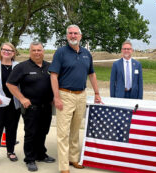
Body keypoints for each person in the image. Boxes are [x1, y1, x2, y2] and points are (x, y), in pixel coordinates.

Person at [49, 24, 102, 173]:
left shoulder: (87, 53)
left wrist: (97, 93)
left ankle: (73, 158)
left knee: (75, 130)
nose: (73, 36)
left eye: (75, 33)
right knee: (63, 132)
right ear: (67, 36)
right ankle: (64, 166)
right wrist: (57, 97)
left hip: (81, 95)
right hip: (65, 95)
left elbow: (92, 74)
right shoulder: (60, 53)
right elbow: (53, 76)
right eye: (70, 33)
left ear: (80, 36)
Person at [6, 42, 55, 172]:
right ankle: (30, 159)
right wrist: (22, 98)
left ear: (43, 51)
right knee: (31, 133)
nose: (37, 52)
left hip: (47, 106)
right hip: (31, 107)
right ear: (30, 52)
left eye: (39, 50)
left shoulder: (50, 66)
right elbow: (10, 84)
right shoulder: (22, 67)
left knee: (43, 131)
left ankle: (40, 154)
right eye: (34, 50)